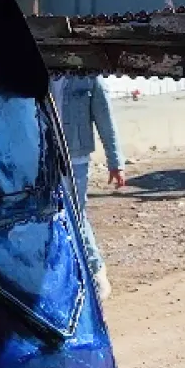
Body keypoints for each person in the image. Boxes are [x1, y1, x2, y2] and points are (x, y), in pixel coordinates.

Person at [53, 75, 127, 301]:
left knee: (76, 213)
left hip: (76, 157)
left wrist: (116, 162)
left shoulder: (89, 78)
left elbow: (105, 119)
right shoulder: (41, 71)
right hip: (45, 153)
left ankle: (96, 270)